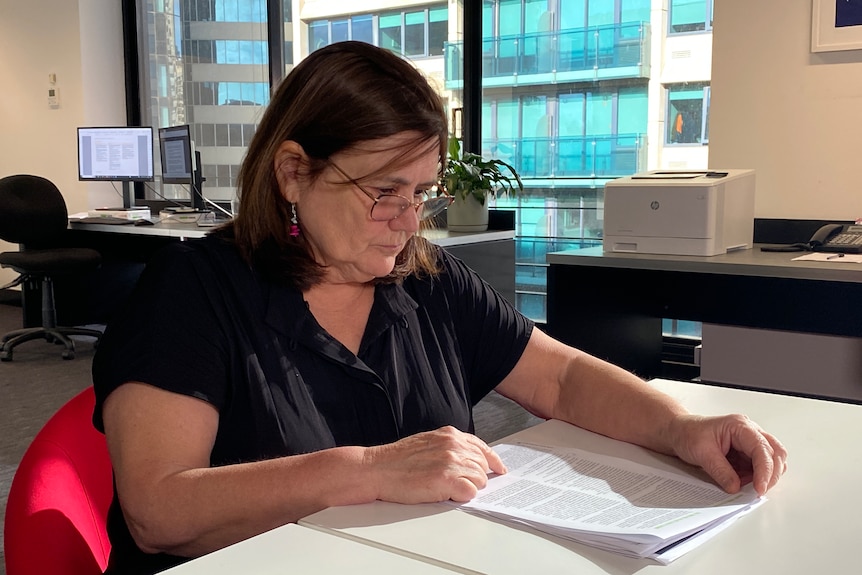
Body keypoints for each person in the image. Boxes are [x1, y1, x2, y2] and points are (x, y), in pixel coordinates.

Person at [92, 41, 787, 574]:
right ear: (293, 172)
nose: (406, 220)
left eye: (420, 192)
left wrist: (681, 428)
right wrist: (364, 471)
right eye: (383, 191)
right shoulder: (194, 289)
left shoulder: (424, 278)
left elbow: (561, 377)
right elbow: (158, 512)